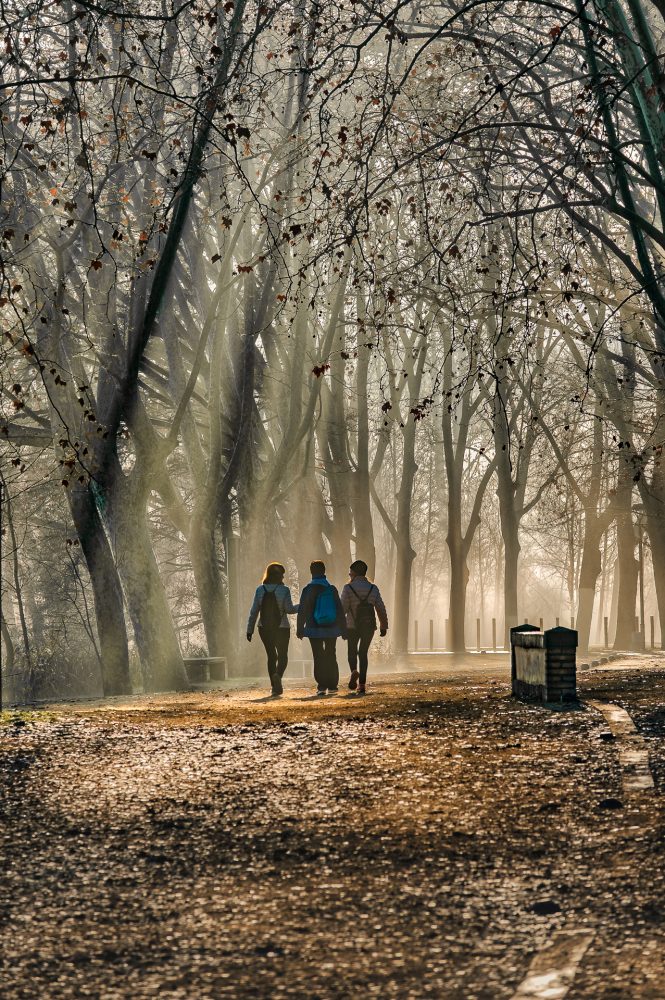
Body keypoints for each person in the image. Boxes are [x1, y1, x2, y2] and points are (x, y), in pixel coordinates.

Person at [246, 562, 299, 697]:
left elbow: (254, 612)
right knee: (282, 656)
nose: (283, 577)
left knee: (271, 656)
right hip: (282, 628)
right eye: (282, 574)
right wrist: (303, 605)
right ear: (279, 575)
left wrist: (250, 630)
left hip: (264, 628)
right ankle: (278, 676)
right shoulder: (284, 590)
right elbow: (289, 609)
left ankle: (274, 687)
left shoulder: (260, 590)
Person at [296, 560, 347, 696]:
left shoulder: (307, 590)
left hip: (313, 628)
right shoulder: (332, 589)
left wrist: (300, 628)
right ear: (324, 572)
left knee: (318, 656)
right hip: (332, 627)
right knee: (331, 653)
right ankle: (333, 685)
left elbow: (302, 610)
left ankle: (321, 686)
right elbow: (339, 610)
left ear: (311, 572)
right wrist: (343, 628)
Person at [340, 560, 388, 695]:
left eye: (350, 572)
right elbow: (380, 608)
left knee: (352, 651)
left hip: (351, 626)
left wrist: (340, 626)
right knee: (363, 653)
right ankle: (361, 685)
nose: (349, 574)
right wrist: (383, 626)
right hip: (368, 626)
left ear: (354, 573)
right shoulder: (373, 588)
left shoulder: (348, 588)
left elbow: (342, 609)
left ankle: (354, 670)